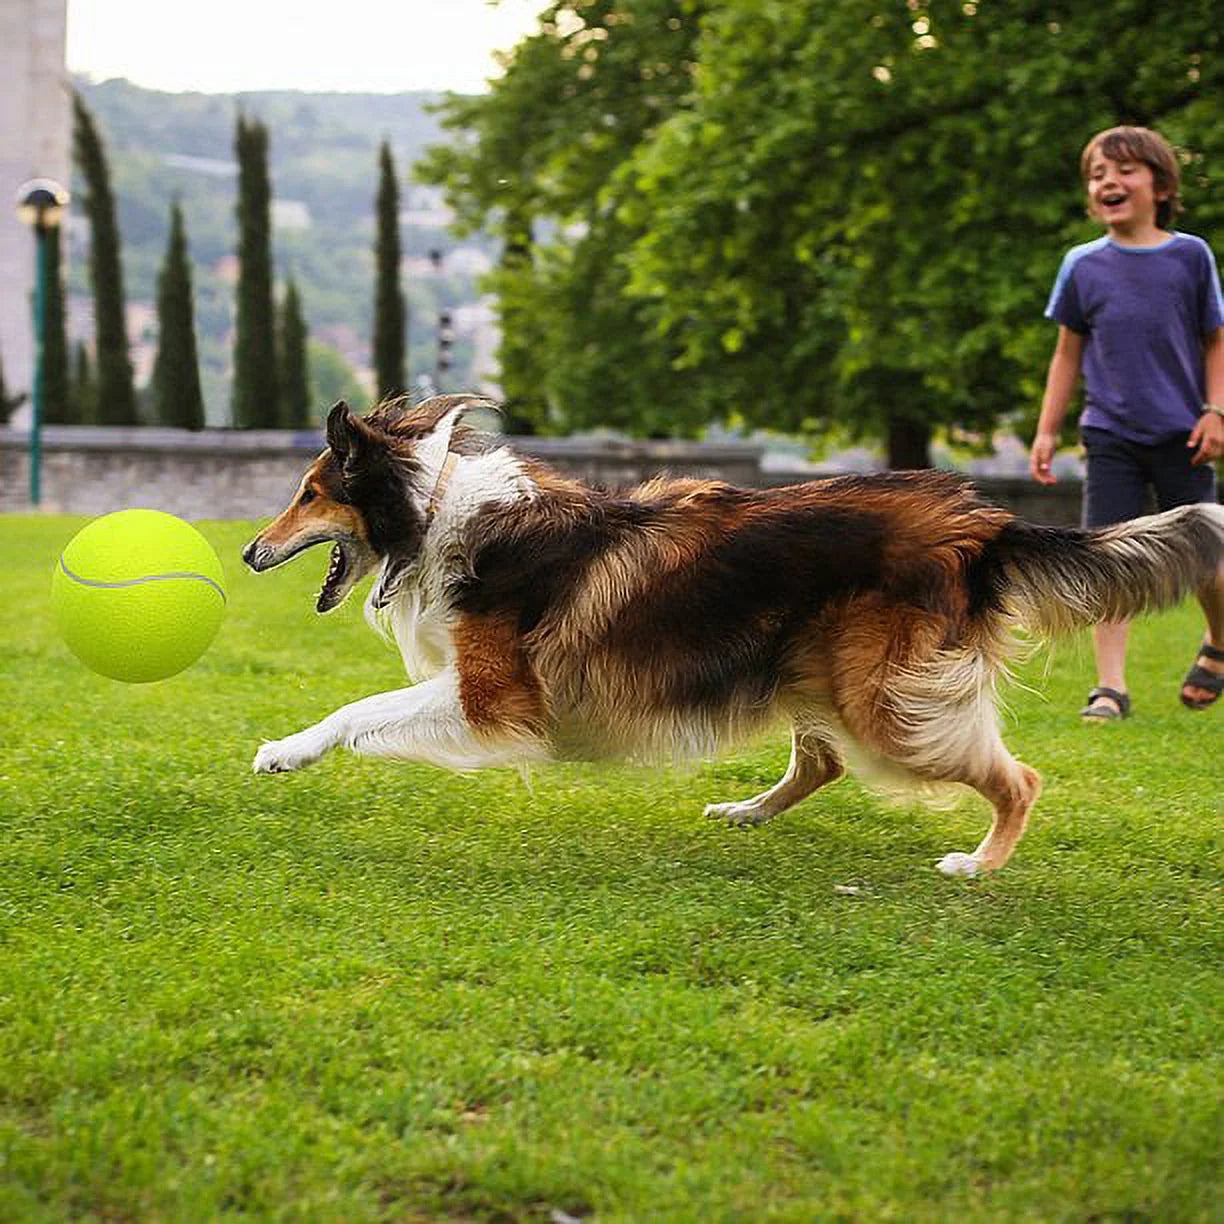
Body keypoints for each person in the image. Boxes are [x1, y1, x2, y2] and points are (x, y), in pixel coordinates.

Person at [1029, 125, 1224, 720]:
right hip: (1109, 432)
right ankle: (1110, 687)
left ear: (1160, 185)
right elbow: (1068, 352)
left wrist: (1217, 411)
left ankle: (1219, 644)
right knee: (1110, 559)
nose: (1108, 182)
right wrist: (1045, 428)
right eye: (1096, 176)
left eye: (1124, 171)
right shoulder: (1082, 265)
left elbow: (1216, 340)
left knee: (1208, 558)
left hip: (1183, 433)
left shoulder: (1190, 256)